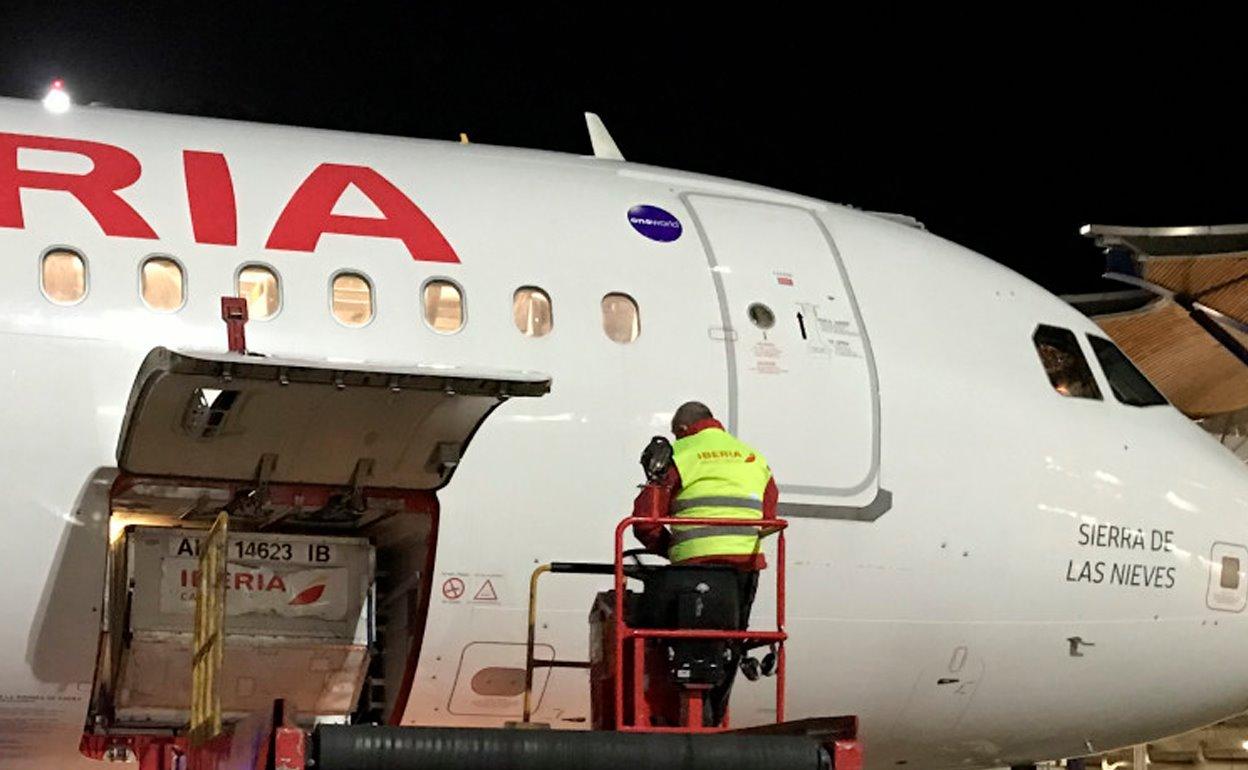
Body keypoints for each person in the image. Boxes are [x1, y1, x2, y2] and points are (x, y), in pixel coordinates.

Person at [630, 400, 778, 725]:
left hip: (690, 571)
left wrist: (672, 547)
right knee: (730, 645)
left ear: (682, 429)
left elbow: (644, 521)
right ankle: (714, 716)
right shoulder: (753, 457)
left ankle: (668, 715)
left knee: (657, 637)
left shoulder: (680, 455)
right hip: (742, 572)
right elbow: (769, 520)